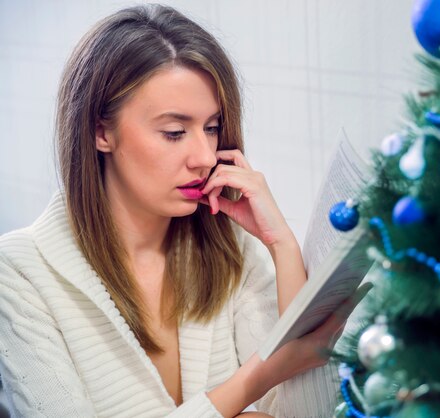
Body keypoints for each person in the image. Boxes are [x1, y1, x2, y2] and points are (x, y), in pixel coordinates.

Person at [0, 4, 362, 417]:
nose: (205, 156)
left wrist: (281, 244)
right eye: (174, 133)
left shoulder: (232, 248)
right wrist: (254, 381)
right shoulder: (20, 273)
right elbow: (269, 384)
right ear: (102, 132)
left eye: (211, 127)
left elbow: (310, 410)